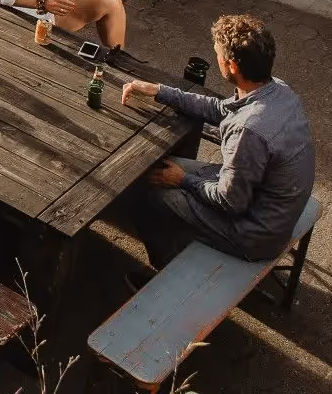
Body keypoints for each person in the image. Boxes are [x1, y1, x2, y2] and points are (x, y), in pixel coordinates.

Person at [119, 14, 316, 272]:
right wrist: (160, 91)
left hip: (254, 234)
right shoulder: (278, 90)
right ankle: (177, 235)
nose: (216, 59)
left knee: (147, 194)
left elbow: (230, 202)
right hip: (269, 203)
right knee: (157, 170)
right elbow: (221, 109)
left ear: (232, 66)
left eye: (218, 55)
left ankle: (164, 268)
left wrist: (183, 180)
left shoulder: (248, 131)